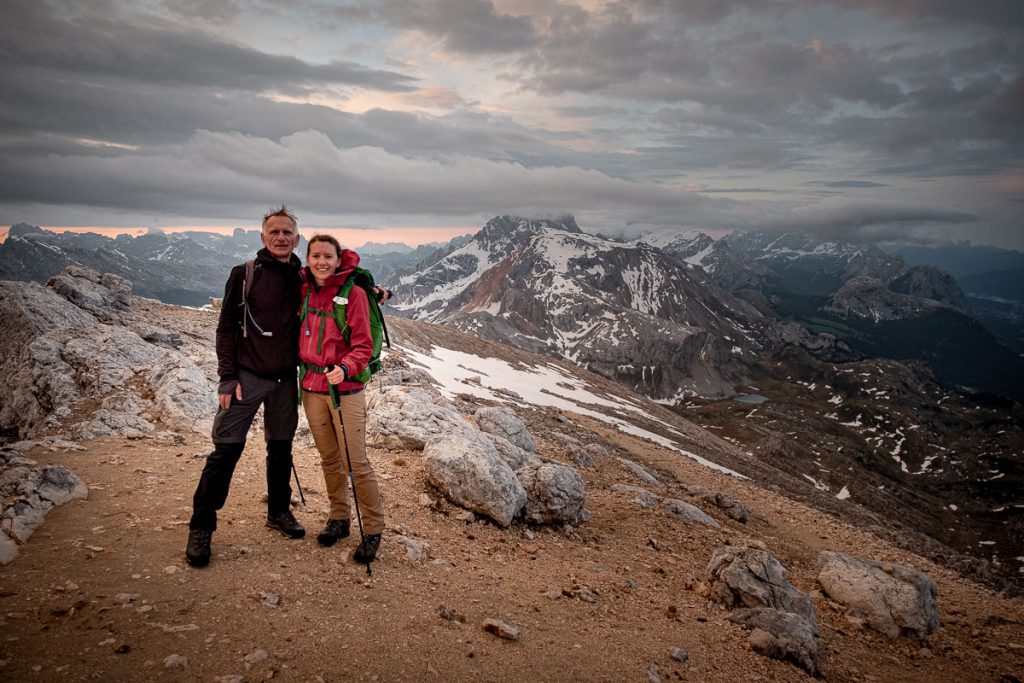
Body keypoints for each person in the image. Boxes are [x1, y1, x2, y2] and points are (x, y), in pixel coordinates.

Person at [185, 206, 306, 568]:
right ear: (263, 237)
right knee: (225, 452)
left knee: (281, 450)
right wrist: (227, 376)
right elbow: (225, 329)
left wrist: (376, 290)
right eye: (275, 232)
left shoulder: (304, 275)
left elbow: (343, 278)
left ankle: (279, 511)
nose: (281, 237)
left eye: (287, 232)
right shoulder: (245, 274)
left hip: (286, 379)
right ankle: (201, 526)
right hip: (247, 376)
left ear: (297, 238)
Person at [299, 234, 385, 563]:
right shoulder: (305, 288)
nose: (322, 262)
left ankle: (373, 529)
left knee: (355, 462)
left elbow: (363, 344)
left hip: (343, 390)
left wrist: (345, 368)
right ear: (307, 259)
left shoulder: (355, 293)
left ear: (339, 259)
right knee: (329, 458)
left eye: (328, 257)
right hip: (310, 387)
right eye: (315, 256)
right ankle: (339, 519)